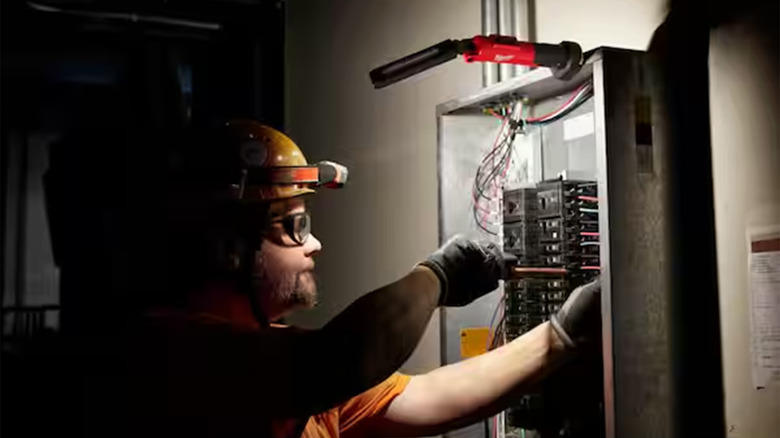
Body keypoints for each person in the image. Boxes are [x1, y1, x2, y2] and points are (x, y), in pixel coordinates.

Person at [67, 120, 601, 438]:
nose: (315, 243)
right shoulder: (165, 353)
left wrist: (563, 333)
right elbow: (336, 361)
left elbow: (427, 399)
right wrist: (437, 276)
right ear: (228, 249)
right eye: (294, 226)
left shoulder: (277, 356)